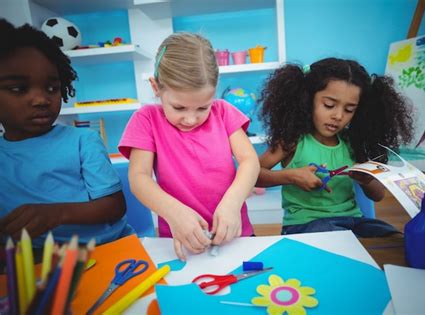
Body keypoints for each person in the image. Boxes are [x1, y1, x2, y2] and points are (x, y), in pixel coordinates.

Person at [118, 32, 260, 260]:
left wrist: (233, 203)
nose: (191, 119)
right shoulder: (146, 120)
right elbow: (139, 177)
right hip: (181, 240)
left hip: (235, 235)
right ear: (156, 87)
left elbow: (249, 161)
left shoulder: (223, 111)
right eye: (179, 108)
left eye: (203, 107)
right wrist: (174, 214)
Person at [0, 19, 132, 248]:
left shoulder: (83, 140)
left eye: (52, 88)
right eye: (18, 89)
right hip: (30, 263)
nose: (41, 99)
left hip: (104, 249)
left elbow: (114, 206)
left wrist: (57, 214)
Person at [256, 58, 414, 237]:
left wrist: (367, 180)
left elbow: (378, 196)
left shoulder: (352, 142)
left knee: (394, 238)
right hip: (306, 224)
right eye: (329, 105)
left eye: (349, 110)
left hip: (354, 220)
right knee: (342, 243)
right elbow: (252, 175)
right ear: (308, 100)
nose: (338, 116)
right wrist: (290, 177)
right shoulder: (292, 140)